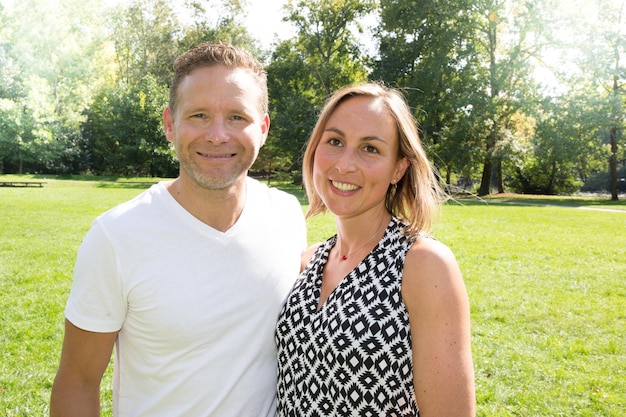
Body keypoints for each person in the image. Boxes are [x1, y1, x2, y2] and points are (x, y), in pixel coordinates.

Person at [50, 42, 306, 417]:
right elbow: (78, 381)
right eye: (199, 115)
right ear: (170, 125)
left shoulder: (285, 214)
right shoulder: (117, 237)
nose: (217, 135)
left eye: (237, 117)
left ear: (263, 128)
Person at [275, 82, 475, 416]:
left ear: (398, 168)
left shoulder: (422, 264)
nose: (344, 164)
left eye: (370, 149)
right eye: (335, 142)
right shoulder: (305, 262)